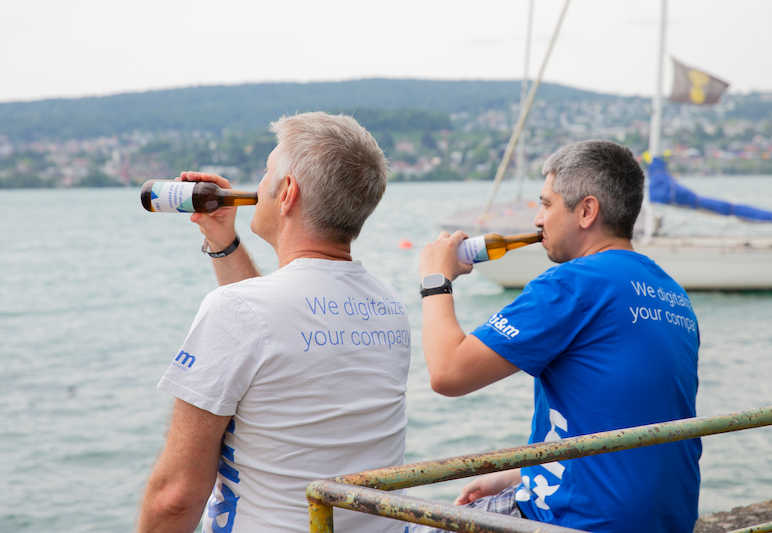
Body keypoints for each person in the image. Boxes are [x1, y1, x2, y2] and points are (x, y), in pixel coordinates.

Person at [137, 112, 411, 533]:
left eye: (267, 172)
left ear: (287, 193)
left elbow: (175, 498)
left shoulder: (237, 310)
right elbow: (274, 323)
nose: (258, 185)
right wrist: (222, 241)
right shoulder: (388, 302)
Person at [415, 140, 701, 533]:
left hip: (578, 521)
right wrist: (520, 473)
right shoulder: (672, 293)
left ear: (586, 211)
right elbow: (618, 419)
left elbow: (448, 373)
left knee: (403, 526)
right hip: (665, 522)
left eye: (546, 204)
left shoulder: (573, 283)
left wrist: (435, 278)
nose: (537, 219)